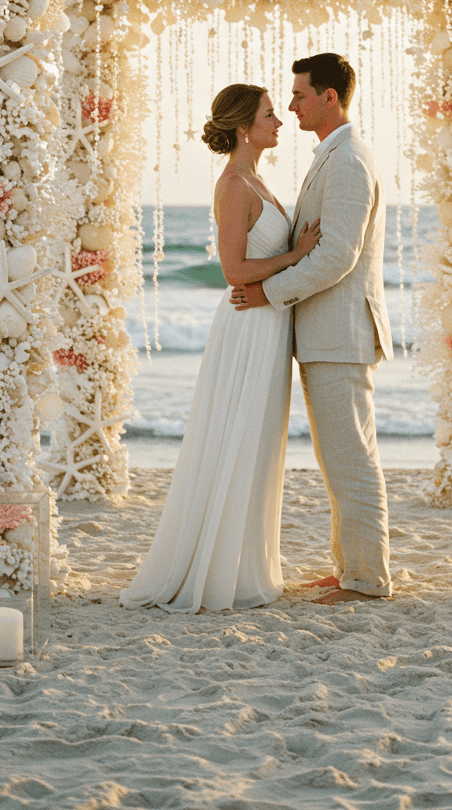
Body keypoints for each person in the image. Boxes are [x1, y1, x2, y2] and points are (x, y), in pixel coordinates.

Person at [119, 83, 321, 614]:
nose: (279, 122)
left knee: (256, 444)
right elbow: (234, 271)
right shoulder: (233, 184)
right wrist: (298, 255)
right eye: (270, 115)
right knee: (237, 437)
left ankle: (242, 563)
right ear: (242, 126)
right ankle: (216, 570)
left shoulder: (257, 179)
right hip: (247, 328)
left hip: (268, 324)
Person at [231, 53, 392, 605]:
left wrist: (266, 293)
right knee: (339, 458)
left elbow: (337, 257)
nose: (292, 105)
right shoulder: (334, 155)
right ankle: (352, 567)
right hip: (327, 335)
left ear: (329, 97)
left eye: (299, 95)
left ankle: (368, 581)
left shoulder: (347, 160)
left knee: (350, 459)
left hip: (340, 334)